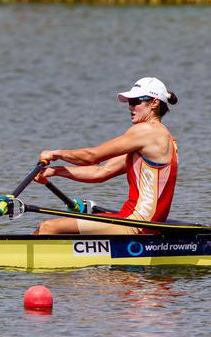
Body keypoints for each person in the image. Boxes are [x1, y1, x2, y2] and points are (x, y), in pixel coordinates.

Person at [34, 77, 179, 235]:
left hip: (136, 222)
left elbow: (91, 156)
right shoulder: (163, 137)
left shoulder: (147, 131)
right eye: (129, 102)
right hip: (146, 223)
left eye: (135, 102)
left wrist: (56, 153)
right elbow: (101, 172)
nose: (130, 107)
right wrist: (55, 171)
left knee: (47, 227)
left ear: (154, 103)